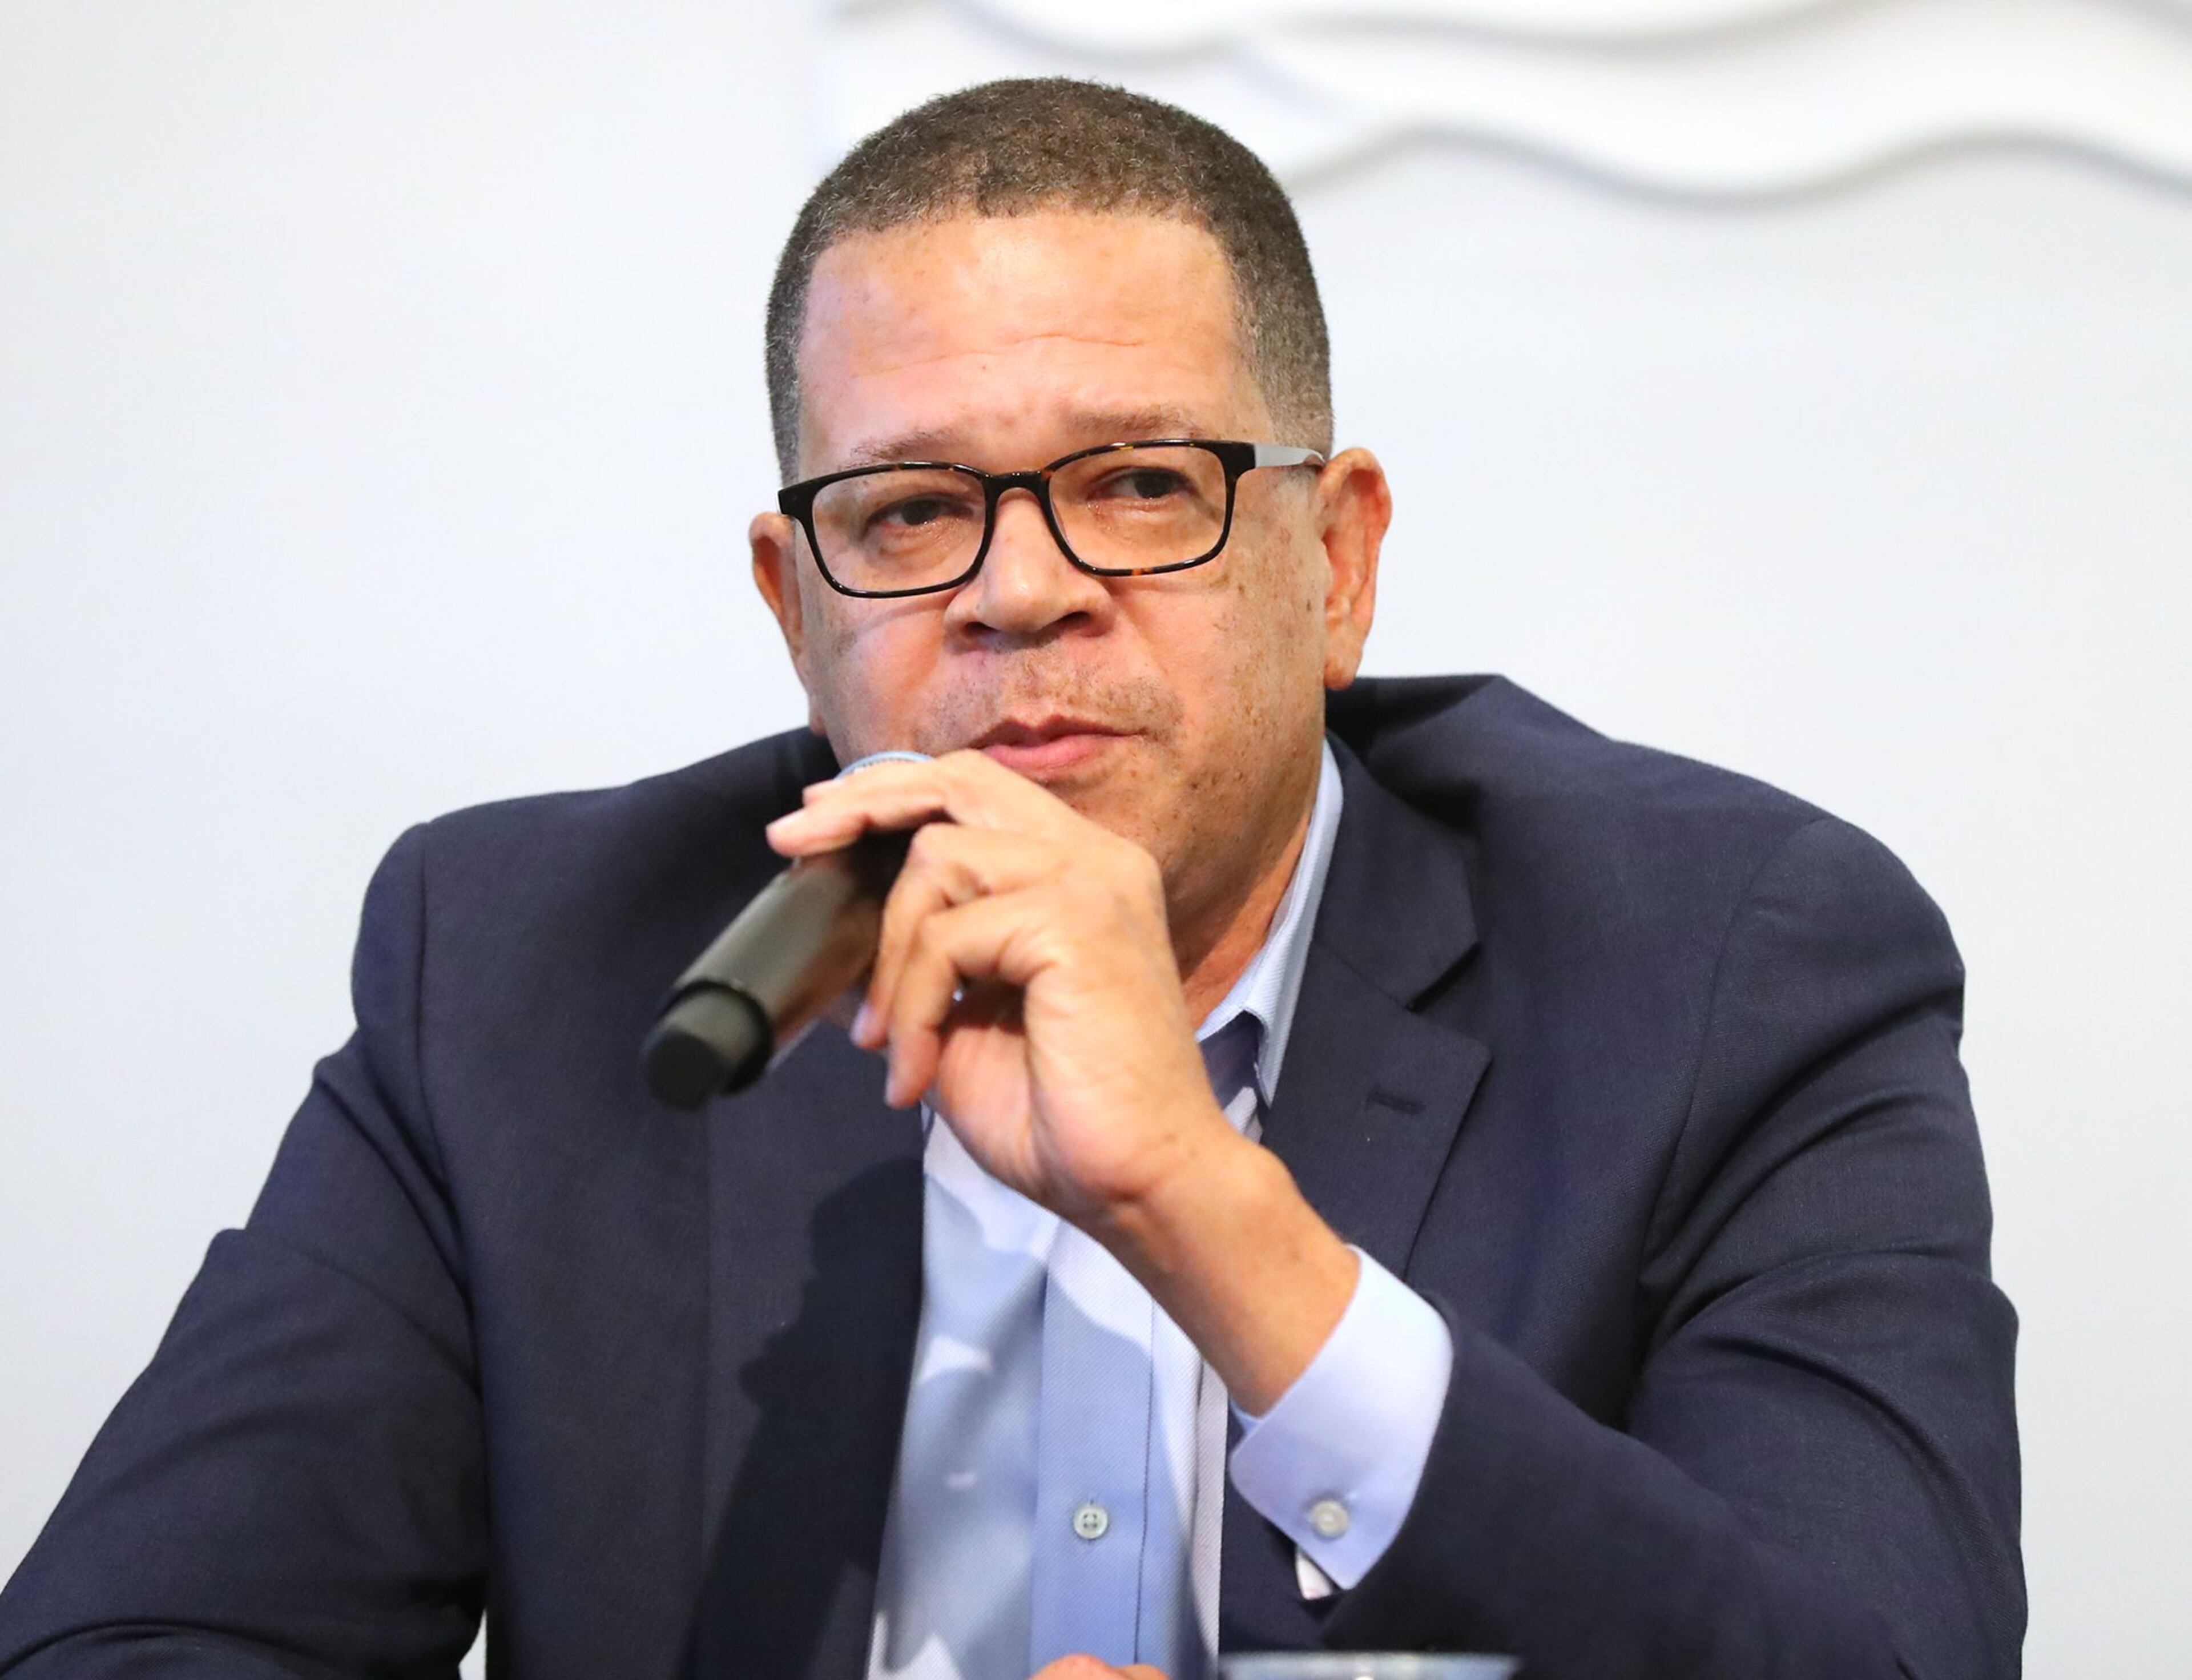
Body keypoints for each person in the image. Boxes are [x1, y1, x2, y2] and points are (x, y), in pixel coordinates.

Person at [0, 78, 2021, 1680]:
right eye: (911, 508)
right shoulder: (534, 968)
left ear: (1337, 565)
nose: (1020, 588)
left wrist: (1212, 1215)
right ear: (801, 610)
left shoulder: (1732, 965)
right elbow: (136, 1645)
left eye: (1143, 483)